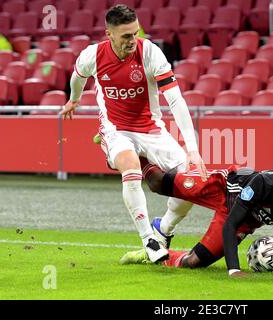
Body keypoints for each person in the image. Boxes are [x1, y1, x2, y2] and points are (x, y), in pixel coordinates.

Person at [59, 5, 207, 263]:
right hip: (116, 129)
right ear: (109, 34)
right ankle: (148, 239)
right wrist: (74, 100)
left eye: (135, 33)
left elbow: (176, 101)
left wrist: (193, 151)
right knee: (130, 166)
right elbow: (77, 78)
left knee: (192, 183)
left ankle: (164, 229)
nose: (132, 40)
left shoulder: (149, 52)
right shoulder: (92, 55)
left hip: (152, 128)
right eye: (126, 35)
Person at [120, 159, 273, 277]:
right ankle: (135, 155)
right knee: (158, 184)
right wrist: (233, 269)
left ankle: (154, 255)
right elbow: (230, 225)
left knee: (193, 263)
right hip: (223, 188)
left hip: (246, 219)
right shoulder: (264, 184)